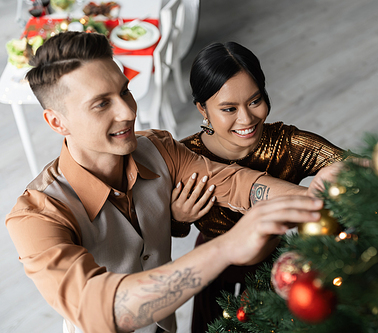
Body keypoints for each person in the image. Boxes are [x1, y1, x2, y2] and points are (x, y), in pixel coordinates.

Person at [5, 32, 341, 333]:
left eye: (125, 92)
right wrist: (227, 246)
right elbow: (103, 307)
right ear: (56, 121)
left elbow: (237, 183)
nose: (127, 112)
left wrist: (314, 196)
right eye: (102, 103)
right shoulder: (36, 217)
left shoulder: (159, 148)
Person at [169, 41, 350, 333]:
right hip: (215, 272)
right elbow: (161, 232)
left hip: (277, 270)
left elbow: (354, 167)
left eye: (255, 101)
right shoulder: (183, 158)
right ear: (202, 108)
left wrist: (337, 178)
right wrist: (178, 218)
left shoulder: (288, 144)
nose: (247, 119)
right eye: (229, 108)